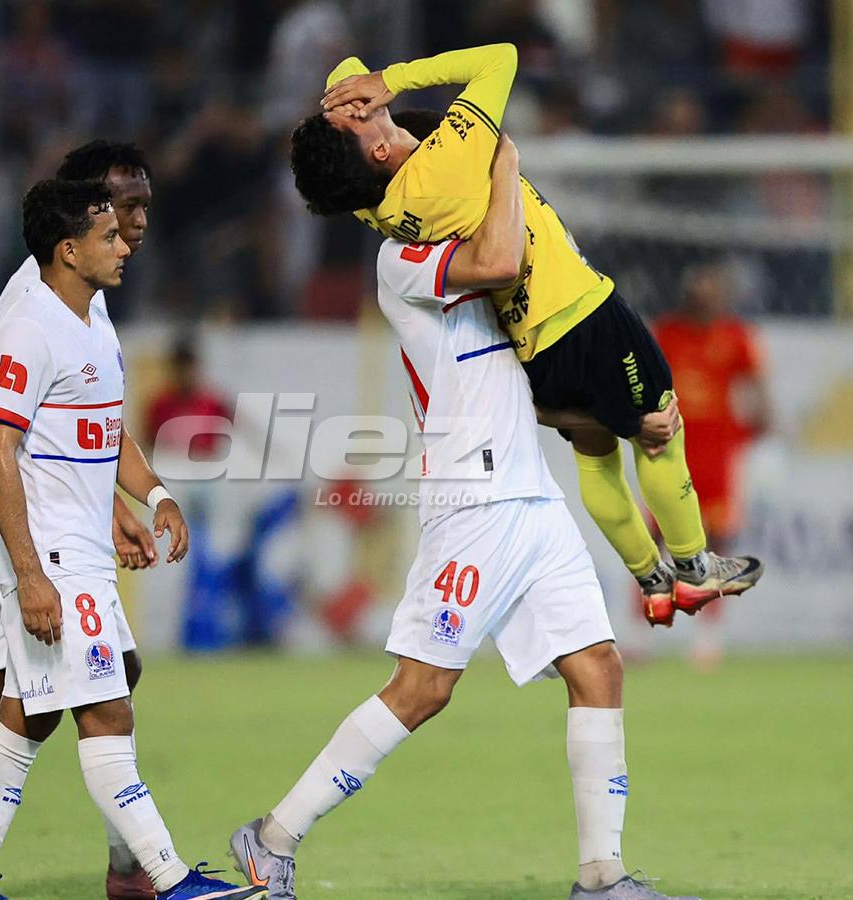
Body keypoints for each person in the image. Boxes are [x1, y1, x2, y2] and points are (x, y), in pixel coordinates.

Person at [229, 135, 697, 900]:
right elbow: (503, 261)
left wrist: (624, 422)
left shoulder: (479, 257)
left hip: (532, 495)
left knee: (598, 667)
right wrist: (503, 160)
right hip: (472, 500)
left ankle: (602, 877)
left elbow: (529, 396)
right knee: (423, 688)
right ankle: (272, 837)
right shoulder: (403, 259)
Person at [291, 43, 763, 626]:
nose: (358, 102)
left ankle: (652, 580)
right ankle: (694, 568)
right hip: (579, 311)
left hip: (532, 344)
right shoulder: (446, 165)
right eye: (353, 115)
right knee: (661, 429)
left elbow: (345, 85)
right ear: (378, 148)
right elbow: (501, 59)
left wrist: (354, 96)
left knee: (596, 456)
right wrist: (395, 78)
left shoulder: (371, 200)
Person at [0, 178, 262, 900]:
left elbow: (105, 433)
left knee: (32, 710)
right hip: (52, 551)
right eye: (109, 235)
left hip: (83, 548)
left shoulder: (94, 322)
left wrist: (157, 496)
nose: (125, 246)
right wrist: (29, 573)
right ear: (68, 249)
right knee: (107, 709)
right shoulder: (29, 327)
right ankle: (166, 879)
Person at [0, 142, 168, 900]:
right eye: (124, 206)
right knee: (21, 686)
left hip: (45, 512)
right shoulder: (32, 297)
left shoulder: (89, 292)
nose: (137, 222)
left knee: (80, 678)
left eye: (142, 207)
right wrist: (34, 546)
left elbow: (80, 418)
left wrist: (112, 503)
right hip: (16, 519)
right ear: (80, 219)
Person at [652, 263, 771, 665]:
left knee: (716, 545)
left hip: (717, 457)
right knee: (654, 541)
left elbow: (757, 390)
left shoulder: (736, 336)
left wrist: (758, 431)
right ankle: (642, 629)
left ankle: (708, 637)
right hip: (672, 453)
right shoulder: (667, 333)